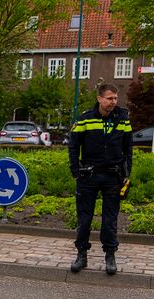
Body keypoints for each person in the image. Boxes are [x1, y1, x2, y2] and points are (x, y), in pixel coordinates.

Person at [68, 83, 133, 275]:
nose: (114, 102)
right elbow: (73, 146)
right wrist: (75, 172)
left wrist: (126, 173)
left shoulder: (123, 118)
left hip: (113, 176)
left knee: (110, 220)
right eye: (110, 98)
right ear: (99, 98)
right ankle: (81, 255)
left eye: (115, 98)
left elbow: (128, 147)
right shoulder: (85, 119)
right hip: (88, 175)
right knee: (84, 218)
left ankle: (110, 255)